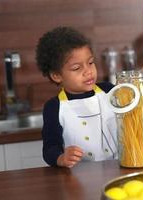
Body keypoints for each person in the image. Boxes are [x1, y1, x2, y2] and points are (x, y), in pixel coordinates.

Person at [36, 27, 118, 168]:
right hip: (78, 178)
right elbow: (49, 148)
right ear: (56, 75)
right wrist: (61, 158)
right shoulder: (54, 107)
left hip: (117, 168)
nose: (88, 71)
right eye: (76, 68)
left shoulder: (108, 90)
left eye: (91, 63)